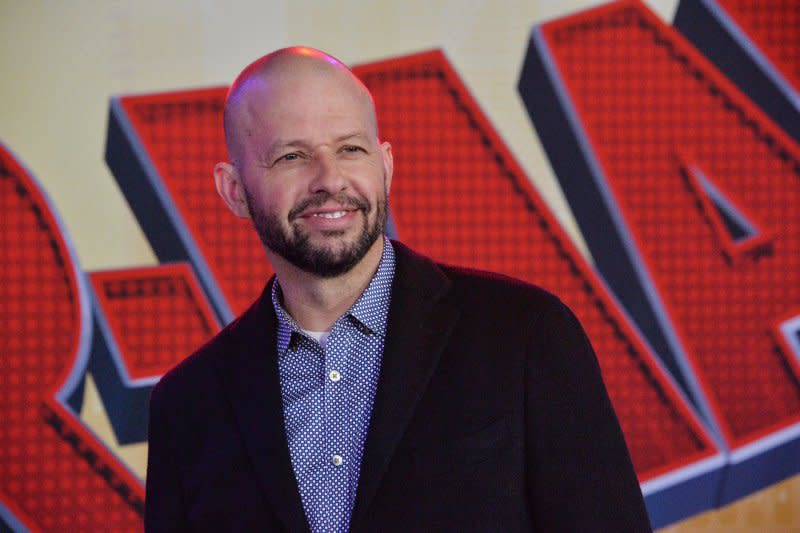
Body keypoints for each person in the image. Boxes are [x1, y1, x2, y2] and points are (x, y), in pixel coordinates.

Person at [144, 46, 652, 532]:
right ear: (234, 190)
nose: (330, 179)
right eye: (292, 156)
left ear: (385, 165)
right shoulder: (188, 404)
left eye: (351, 149)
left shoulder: (525, 335)